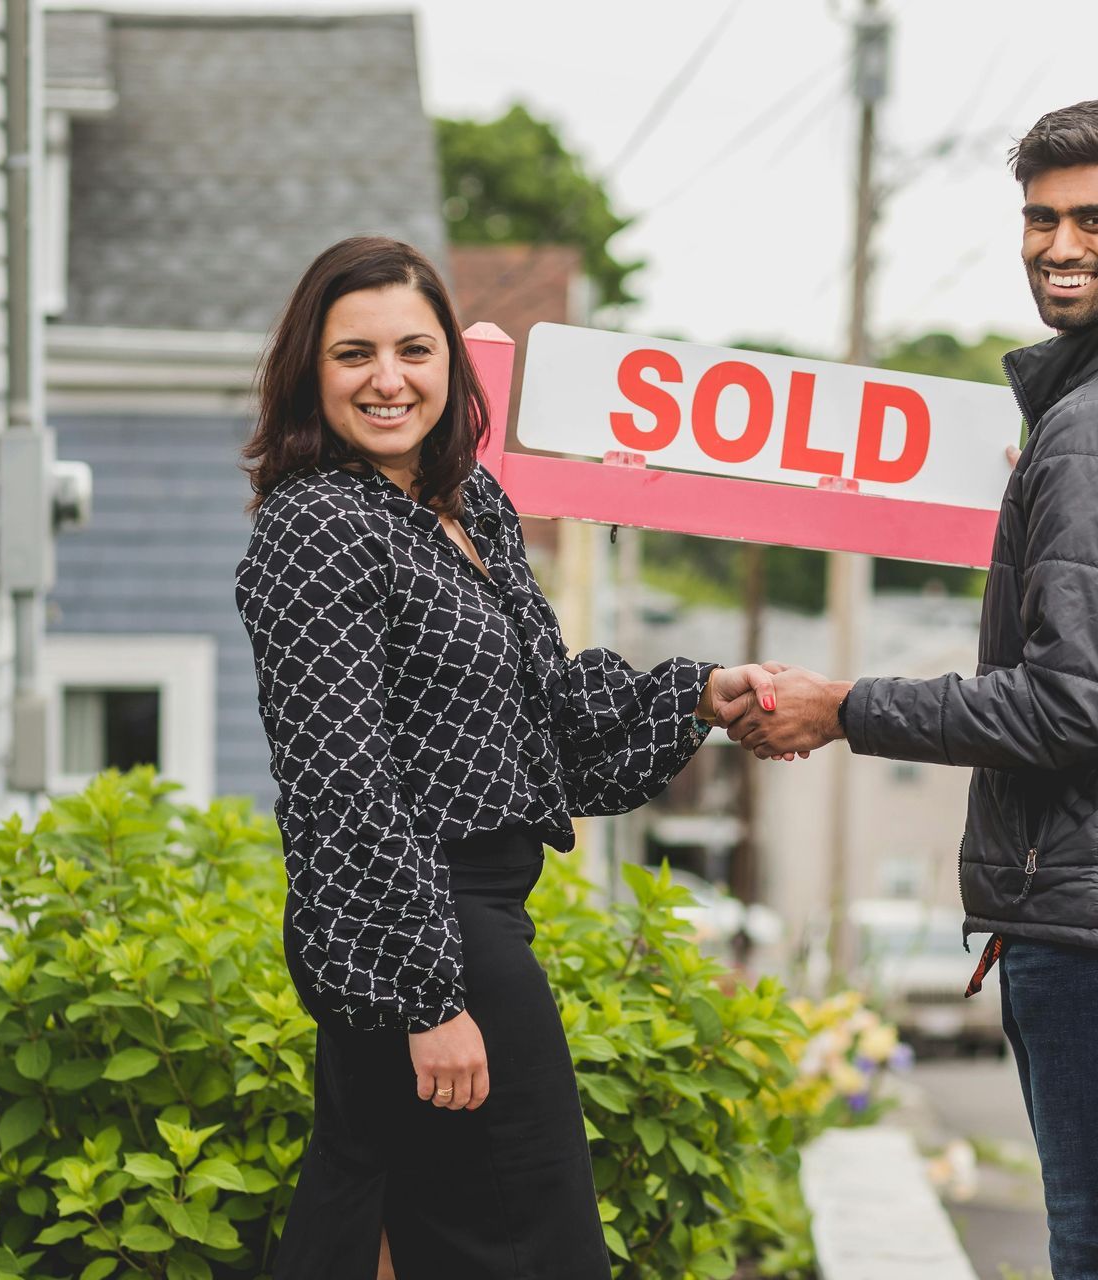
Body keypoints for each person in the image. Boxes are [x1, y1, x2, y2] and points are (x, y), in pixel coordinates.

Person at [727, 100, 1098, 1280]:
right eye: (1041, 217)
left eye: (1096, 217)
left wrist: (843, 706)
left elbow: (1066, 709)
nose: (1060, 244)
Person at [233, 235, 782, 1279]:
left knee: (385, 1226)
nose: (388, 379)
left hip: (468, 912)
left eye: (413, 348)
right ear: (310, 369)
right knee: (532, 1246)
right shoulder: (318, 527)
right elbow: (341, 788)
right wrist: (427, 997)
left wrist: (697, 693)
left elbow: (549, 703)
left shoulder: (466, 505)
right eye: (354, 355)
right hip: (424, 922)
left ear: (451, 362)